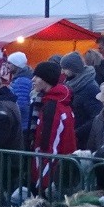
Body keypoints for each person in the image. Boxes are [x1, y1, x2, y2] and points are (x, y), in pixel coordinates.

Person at [30, 61, 76, 193]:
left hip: (51, 177)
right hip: (57, 171)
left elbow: (50, 148)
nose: (33, 80)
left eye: (37, 76)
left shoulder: (53, 108)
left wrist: (41, 183)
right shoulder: (52, 102)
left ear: (46, 79)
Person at [60, 51, 102, 148]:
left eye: (64, 68)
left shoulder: (90, 88)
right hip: (73, 135)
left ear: (73, 68)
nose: (62, 72)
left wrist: (76, 133)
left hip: (83, 140)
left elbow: (96, 117)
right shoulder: (72, 84)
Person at [6, 51, 34, 134]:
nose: (7, 65)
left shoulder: (21, 81)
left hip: (22, 125)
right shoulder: (22, 78)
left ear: (16, 64)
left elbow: (21, 105)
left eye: (9, 63)